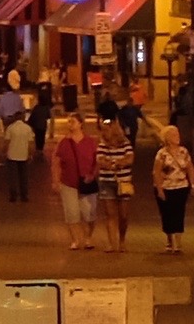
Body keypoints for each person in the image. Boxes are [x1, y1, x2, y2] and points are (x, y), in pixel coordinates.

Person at [50, 112, 97, 251]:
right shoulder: (64, 143)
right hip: (68, 182)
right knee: (71, 213)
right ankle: (75, 240)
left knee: (90, 213)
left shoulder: (90, 142)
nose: (70, 124)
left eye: (73, 121)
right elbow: (56, 162)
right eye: (69, 122)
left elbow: (97, 161)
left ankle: (88, 238)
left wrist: (93, 175)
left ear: (80, 123)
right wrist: (55, 180)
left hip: (87, 182)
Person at [96, 108, 136, 252]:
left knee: (124, 215)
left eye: (106, 130)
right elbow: (100, 159)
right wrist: (114, 163)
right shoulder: (102, 144)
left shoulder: (125, 143)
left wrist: (116, 163)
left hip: (123, 182)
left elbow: (130, 158)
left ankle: (122, 239)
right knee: (110, 215)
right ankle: (112, 243)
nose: (104, 133)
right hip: (107, 182)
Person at [152, 123, 194, 253]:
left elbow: (190, 168)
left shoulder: (183, 151)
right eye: (173, 135)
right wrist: (159, 189)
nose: (177, 137)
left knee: (179, 213)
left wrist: (192, 184)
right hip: (166, 187)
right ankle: (170, 241)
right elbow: (156, 172)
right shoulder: (162, 154)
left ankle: (179, 242)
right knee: (167, 214)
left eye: (177, 134)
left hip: (181, 186)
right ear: (167, 138)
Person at [0, 107, 38, 206]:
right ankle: (24, 195)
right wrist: (31, 154)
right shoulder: (27, 128)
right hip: (24, 155)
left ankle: (13, 196)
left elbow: (7, 142)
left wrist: (2, 153)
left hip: (12, 155)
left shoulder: (10, 128)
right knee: (24, 177)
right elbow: (31, 143)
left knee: (13, 177)